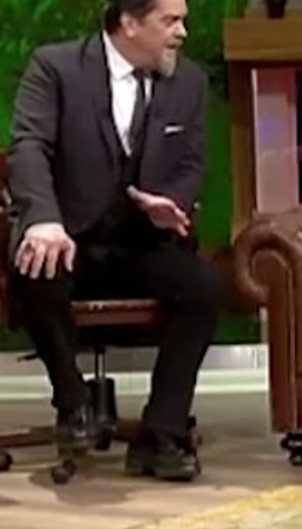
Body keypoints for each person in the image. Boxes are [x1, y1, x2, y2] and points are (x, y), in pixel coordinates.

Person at [8, 0, 220, 481]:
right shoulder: (56, 67)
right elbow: (29, 146)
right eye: (170, 21)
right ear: (129, 23)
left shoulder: (188, 81)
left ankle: (161, 431)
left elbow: (191, 163)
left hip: (140, 243)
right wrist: (44, 220)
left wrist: (170, 202)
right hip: (68, 236)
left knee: (203, 286)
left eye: (183, 20)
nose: (182, 33)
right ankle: (73, 403)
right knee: (36, 268)